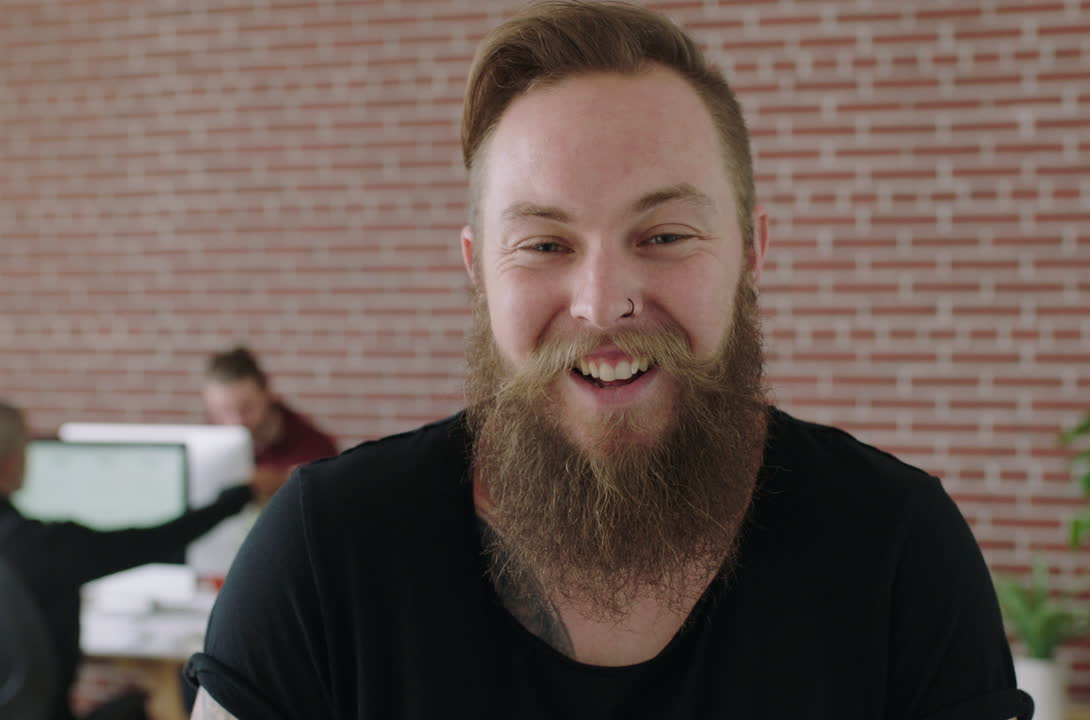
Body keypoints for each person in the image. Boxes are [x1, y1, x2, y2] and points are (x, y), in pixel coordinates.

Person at [187, 3, 1034, 719]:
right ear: (478, 269)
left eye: (663, 235)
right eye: (546, 242)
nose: (602, 302)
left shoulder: (895, 550)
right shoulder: (323, 556)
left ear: (753, 252)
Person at [0, 401, 261, 720]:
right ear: (10, 464)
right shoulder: (45, 546)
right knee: (153, 704)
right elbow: (157, 540)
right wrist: (241, 495)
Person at [202, 346, 338, 500]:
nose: (237, 422)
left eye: (247, 408)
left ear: (267, 394)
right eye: (223, 411)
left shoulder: (315, 448)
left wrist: (284, 482)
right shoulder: (204, 447)